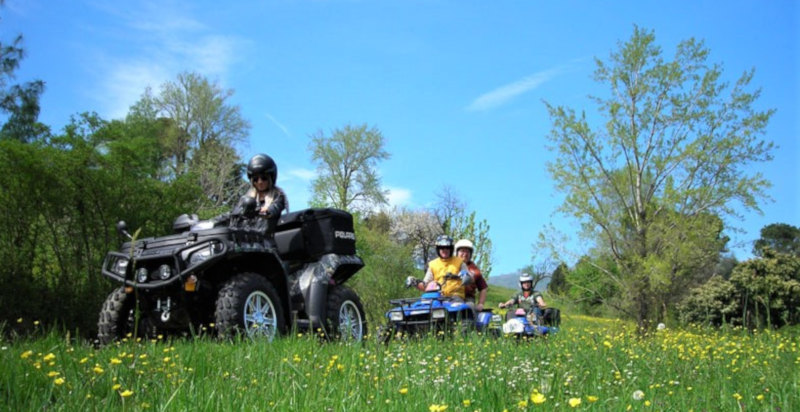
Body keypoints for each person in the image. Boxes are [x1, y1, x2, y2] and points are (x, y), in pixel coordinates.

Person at [236, 153, 288, 225]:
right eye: (256, 179)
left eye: (264, 178)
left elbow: (275, 208)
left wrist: (267, 211)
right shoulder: (247, 197)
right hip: (247, 233)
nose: (260, 182)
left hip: (267, 234)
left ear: (271, 178)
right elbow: (236, 211)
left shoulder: (278, 196)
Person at [415, 235, 471, 299]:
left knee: (455, 307)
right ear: (438, 249)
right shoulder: (432, 264)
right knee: (425, 306)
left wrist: (465, 276)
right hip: (437, 296)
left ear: (451, 249)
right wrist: (415, 283)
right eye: (442, 248)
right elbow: (425, 285)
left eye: (447, 248)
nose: (445, 250)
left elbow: (468, 276)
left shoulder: (460, 262)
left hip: (455, 296)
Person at [455, 239, 488, 311]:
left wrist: (480, 304)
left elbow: (483, 288)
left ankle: (470, 322)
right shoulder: (450, 265)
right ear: (457, 252)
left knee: (469, 309)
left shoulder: (474, 270)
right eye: (462, 251)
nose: (465, 254)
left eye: (467, 251)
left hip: (467, 298)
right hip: (451, 297)